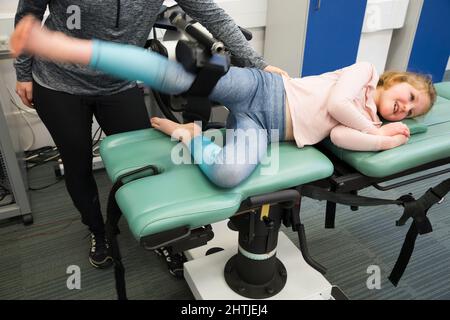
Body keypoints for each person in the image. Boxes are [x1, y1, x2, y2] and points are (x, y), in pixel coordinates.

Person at [12, 15, 437, 191]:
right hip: (260, 90)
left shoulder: (367, 120)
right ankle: (64, 45)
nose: (405, 109)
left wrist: (381, 142)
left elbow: (343, 134)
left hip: (265, 131)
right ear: (394, 80)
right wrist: (376, 132)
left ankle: (187, 132)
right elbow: (342, 106)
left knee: (228, 175)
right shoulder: (364, 71)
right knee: (178, 72)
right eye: (409, 98)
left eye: (412, 113)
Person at [13, 1, 287, 270]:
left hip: (118, 82)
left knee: (143, 161)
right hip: (59, 82)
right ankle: (99, 231)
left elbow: (212, 14)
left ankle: (161, 236)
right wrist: (23, 72)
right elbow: (30, 12)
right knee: (77, 162)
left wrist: (258, 64)